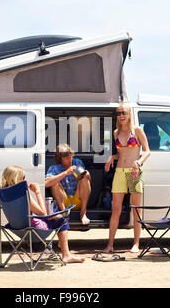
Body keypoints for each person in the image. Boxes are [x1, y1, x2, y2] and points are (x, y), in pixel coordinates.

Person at [0, 165, 85, 264]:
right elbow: (43, 214)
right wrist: (37, 192)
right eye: (23, 177)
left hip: (15, 228)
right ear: (17, 178)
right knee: (61, 218)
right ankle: (66, 255)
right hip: (34, 230)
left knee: (54, 217)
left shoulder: (3, 193)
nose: (24, 180)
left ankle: (63, 245)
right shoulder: (22, 193)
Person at [102, 104, 150, 253]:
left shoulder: (137, 131)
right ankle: (110, 245)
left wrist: (139, 162)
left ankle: (136, 244)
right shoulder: (115, 133)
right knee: (116, 209)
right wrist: (112, 157)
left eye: (124, 112)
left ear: (129, 114)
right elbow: (121, 155)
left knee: (136, 210)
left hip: (134, 171)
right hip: (120, 172)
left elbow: (148, 151)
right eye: (119, 113)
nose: (121, 115)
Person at [45, 144, 92, 225]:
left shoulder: (77, 162)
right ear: (60, 159)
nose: (70, 160)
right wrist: (65, 173)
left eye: (70, 157)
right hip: (64, 201)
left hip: (78, 198)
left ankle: (83, 213)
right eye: (66, 158)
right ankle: (65, 214)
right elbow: (46, 183)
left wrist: (87, 174)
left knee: (84, 179)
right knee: (54, 181)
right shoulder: (54, 168)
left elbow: (88, 180)